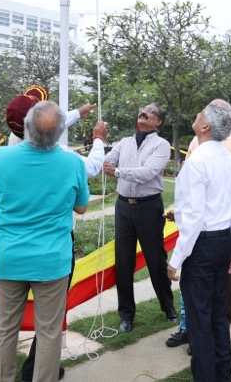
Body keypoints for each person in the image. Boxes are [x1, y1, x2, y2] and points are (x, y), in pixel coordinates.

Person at [0, 87, 107, 381]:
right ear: (59, 133)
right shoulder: (72, 163)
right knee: (48, 331)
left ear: (26, 127)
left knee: (5, 329)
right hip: (51, 261)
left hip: (10, 257)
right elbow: (81, 208)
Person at [166, 98, 231, 350]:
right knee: (217, 314)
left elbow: (195, 217)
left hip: (203, 244)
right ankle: (222, 372)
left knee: (201, 318)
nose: (196, 115)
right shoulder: (226, 160)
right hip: (222, 242)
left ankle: (207, 371)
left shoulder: (198, 161)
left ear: (206, 126)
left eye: (200, 114)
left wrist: (175, 261)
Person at [103, 103, 177, 332]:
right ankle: (126, 314)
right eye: (143, 110)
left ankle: (168, 307)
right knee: (123, 262)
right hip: (124, 207)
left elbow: (148, 173)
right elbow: (108, 161)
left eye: (152, 112)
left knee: (156, 260)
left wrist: (116, 172)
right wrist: (101, 153)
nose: (145, 112)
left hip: (148, 207)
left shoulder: (162, 145)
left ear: (158, 123)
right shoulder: (123, 142)